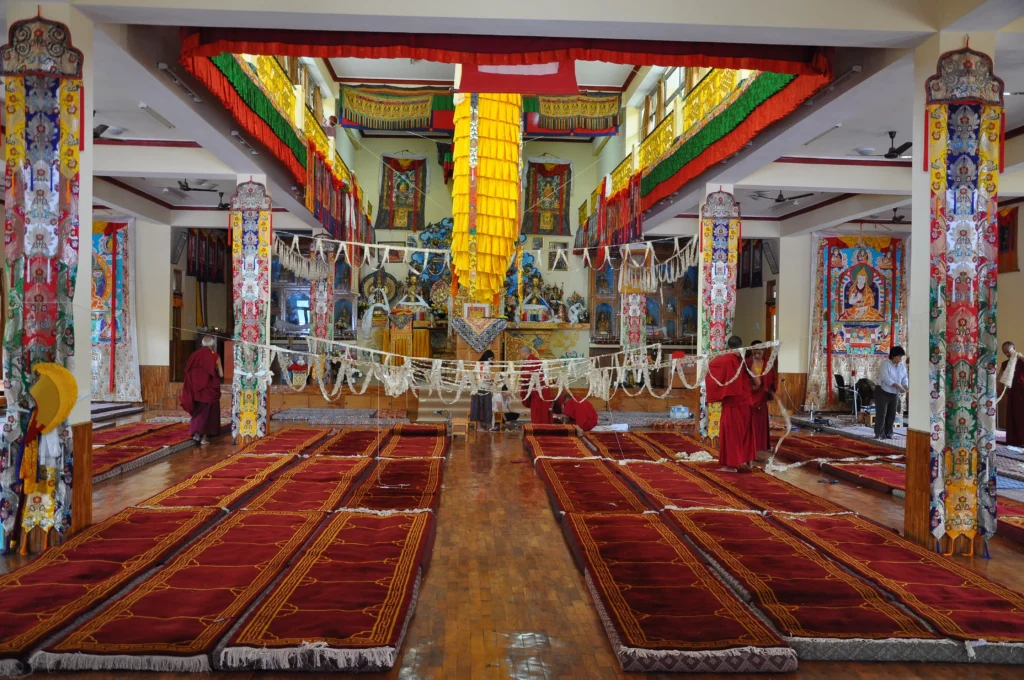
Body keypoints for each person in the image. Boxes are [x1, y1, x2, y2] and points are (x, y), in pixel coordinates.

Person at [705, 336, 755, 471]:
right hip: (746, 401)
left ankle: (732, 465)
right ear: (741, 345)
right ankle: (749, 462)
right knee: (746, 433)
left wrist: (716, 356)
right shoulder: (744, 359)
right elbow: (755, 380)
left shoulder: (725, 359)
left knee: (732, 434)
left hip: (733, 403)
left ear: (728, 347)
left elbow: (710, 368)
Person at [180, 335, 223, 445]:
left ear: (201, 344)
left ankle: (196, 433)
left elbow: (188, 372)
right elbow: (221, 374)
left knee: (199, 411)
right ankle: (203, 437)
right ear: (213, 345)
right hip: (209, 389)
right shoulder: (215, 356)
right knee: (208, 413)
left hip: (195, 388)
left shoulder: (194, 355)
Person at [746, 340, 775, 452]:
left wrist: (768, 388)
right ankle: (750, 444)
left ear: (763, 351)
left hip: (762, 396)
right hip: (749, 396)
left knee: (761, 423)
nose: (757, 356)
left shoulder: (768, 363)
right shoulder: (747, 362)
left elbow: (771, 379)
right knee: (750, 422)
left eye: (759, 353)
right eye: (754, 353)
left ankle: (761, 444)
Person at [874, 345, 908, 440]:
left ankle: (888, 433)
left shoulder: (901, 366)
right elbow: (885, 378)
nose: (900, 359)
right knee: (882, 414)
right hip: (882, 391)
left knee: (892, 414)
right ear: (893, 356)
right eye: (899, 356)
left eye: (901, 357)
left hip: (894, 393)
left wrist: (906, 386)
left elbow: (904, 378)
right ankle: (879, 434)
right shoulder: (885, 364)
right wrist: (898, 386)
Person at [519, 345, 554, 425]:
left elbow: (529, 376)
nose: (520, 356)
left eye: (520, 353)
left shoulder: (532, 362)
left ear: (524, 353)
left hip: (538, 391)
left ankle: (538, 427)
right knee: (541, 411)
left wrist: (522, 376)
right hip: (540, 389)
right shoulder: (534, 361)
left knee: (538, 411)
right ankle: (542, 426)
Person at [1001, 341, 1024, 447]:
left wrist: (1021, 357)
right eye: (1004, 352)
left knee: (1021, 418)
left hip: (1022, 394)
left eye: (1008, 351)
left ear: (1014, 348)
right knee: (1012, 418)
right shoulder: (1005, 364)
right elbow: (1000, 377)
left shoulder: (1021, 361)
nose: (1006, 354)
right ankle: (1013, 441)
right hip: (1011, 394)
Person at [470, 350, 494, 430]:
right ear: (487, 357)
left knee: (487, 407)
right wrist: (488, 380)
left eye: (492, 359)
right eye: (490, 358)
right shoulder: (479, 365)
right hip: (479, 389)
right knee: (478, 408)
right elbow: (479, 377)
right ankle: (478, 426)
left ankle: (486, 425)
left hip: (486, 388)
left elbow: (488, 377)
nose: (491, 360)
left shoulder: (488, 366)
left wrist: (490, 383)